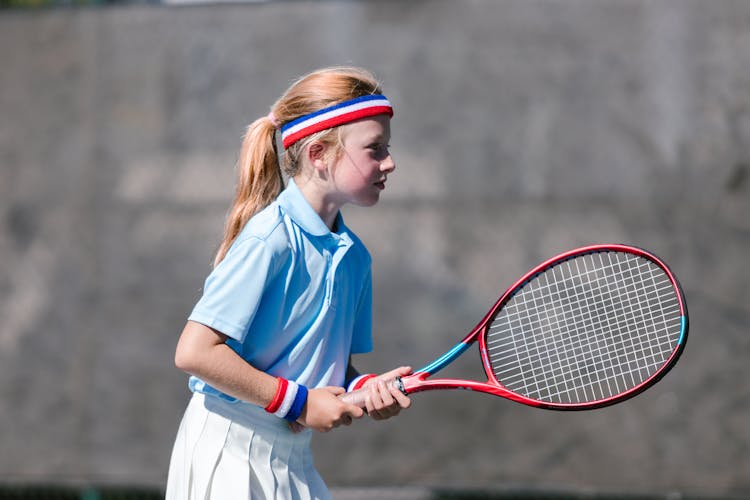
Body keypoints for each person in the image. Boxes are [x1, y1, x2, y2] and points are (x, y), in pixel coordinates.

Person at [165, 66, 412, 500]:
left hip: (293, 457)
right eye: (374, 149)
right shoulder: (269, 240)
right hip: (226, 450)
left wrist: (363, 389)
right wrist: (299, 403)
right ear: (318, 154)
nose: (389, 162)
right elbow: (194, 351)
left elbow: (325, 367)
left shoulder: (355, 258)